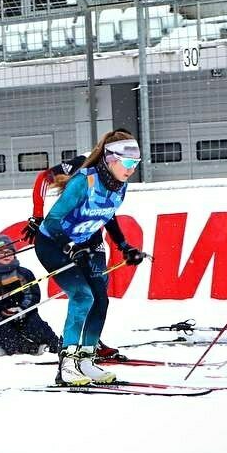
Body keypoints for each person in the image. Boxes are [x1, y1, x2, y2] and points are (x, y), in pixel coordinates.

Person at [33, 131, 146, 385]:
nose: (131, 170)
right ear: (110, 159)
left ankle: (86, 360)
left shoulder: (120, 186)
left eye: (135, 164)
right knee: (83, 296)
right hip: (52, 244)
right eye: (127, 163)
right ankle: (67, 365)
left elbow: (108, 215)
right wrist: (69, 245)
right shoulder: (84, 182)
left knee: (100, 301)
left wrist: (125, 246)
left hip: (82, 243)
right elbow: (52, 220)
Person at [0, 234, 60, 355]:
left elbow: (32, 295)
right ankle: (26, 348)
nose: (5, 255)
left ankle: (56, 346)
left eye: (8, 252)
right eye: (0, 253)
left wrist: (21, 309)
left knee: (33, 321)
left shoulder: (23, 273)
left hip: (22, 314)